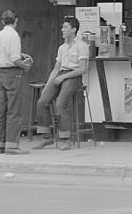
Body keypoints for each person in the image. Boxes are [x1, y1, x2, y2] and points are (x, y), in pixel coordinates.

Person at [33, 16, 90, 151]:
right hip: (61, 74)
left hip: (73, 76)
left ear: (74, 29)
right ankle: (46, 137)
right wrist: (48, 85)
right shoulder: (62, 47)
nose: (62, 30)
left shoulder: (81, 46)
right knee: (42, 102)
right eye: (62, 27)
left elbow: (82, 69)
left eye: (65, 27)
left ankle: (65, 138)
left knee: (60, 104)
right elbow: (56, 69)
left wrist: (64, 77)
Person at [0, 9, 32, 154]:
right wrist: (25, 65)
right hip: (13, 74)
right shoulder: (14, 35)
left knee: (1, 110)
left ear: (2, 21)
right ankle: (12, 145)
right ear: (16, 21)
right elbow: (14, 59)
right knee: (14, 110)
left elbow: (1, 55)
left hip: (0, 73)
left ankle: (0, 144)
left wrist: (19, 55)